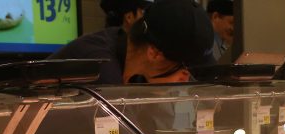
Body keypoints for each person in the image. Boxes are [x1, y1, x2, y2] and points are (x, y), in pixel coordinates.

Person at [50, 0, 214, 84]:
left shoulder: (124, 52)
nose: (186, 78)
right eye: (183, 68)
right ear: (154, 53)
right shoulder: (100, 67)